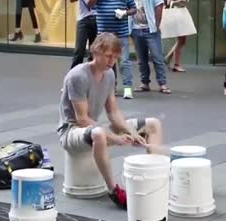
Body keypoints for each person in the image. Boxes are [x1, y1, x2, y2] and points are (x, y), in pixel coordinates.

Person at [57, 33, 164, 209]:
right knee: (99, 133)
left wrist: (132, 133)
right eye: (108, 56)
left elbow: (113, 112)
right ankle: (113, 190)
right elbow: (82, 119)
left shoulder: (109, 75)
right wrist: (115, 138)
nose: (112, 61)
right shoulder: (77, 76)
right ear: (96, 51)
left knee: (152, 124)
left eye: (115, 57)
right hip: (71, 131)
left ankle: (155, 178)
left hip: (92, 127)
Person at [89, 0, 137, 99]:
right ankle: (110, 88)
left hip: (120, 34)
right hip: (103, 35)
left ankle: (127, 88)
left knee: (124, 61)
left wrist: (125, 13)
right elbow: (90, 5)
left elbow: (134, 9)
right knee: (106, 62)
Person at [130, 0, 171, 95]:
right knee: (141, 59)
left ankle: (162, 83)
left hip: (150, 29)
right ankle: (145, 83)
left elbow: (159, 7)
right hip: (136, 29)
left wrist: (156, 25)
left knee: (157, 57)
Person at [162, 0, 197, 72]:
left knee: (181, 40)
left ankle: (168, 58)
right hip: (177, 14)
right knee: (181, 40)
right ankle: (176, 64)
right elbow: (171, 2)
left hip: (179, 13)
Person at [70, 0, 97, 69]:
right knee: (79, 51)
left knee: (94, 52)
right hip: (83, 19)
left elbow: (90, 4)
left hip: (97, 18)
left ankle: (92, 76)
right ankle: (74, 76)